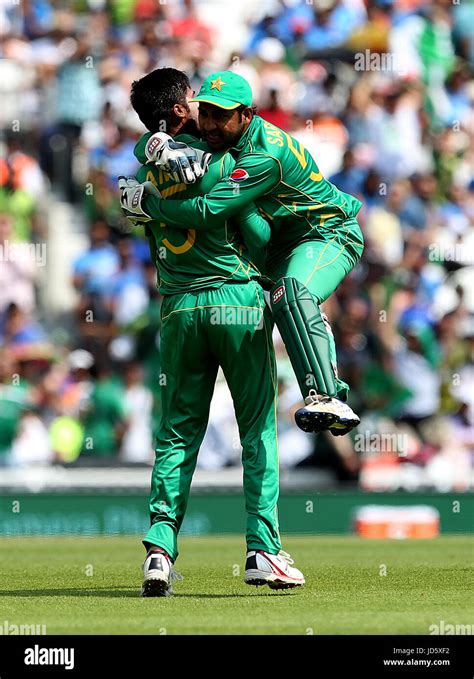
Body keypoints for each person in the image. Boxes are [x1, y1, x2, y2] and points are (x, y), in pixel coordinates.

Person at [121, 68, 305, 596]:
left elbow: (142, 151)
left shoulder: (148, 169)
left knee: (178, 431)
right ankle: (263, 550)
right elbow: (258, 234)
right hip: (236, 300)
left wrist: (148, 150)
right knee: (256, 429)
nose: (206, 110)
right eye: (195, 101)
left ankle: (159, 551)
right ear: (180, 111)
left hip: (178, 308)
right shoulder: (223, 159)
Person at [120, 70, 365, 437]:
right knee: (289, 295)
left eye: (221, 115)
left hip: (326, 232)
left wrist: (148, 206)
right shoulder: (218, 130)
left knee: (291, 293)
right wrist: (155, 145)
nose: (209, 124)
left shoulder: (264, 154)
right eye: (205, 112)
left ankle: (328, 398)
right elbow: (155, 137)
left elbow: (206, 212)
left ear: (246, 115)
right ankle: (312, 327)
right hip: (277, 245)